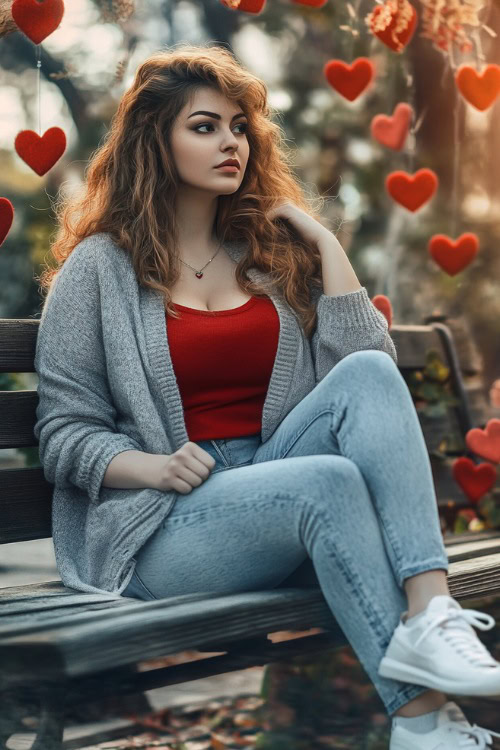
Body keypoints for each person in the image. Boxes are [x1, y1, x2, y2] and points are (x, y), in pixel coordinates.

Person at [33, 43, 500, 748]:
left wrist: (321, 242)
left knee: (370, 381)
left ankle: (431, 620)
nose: (231, 142)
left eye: (239, 125)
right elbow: (64, 433)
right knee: (327, 482)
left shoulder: (270, 257)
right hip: (162, 527)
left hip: (272, 480)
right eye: (205, 126)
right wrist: (151, 467)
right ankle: (422, 723)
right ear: (154, 141)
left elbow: (369, 379)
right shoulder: (98, 270)